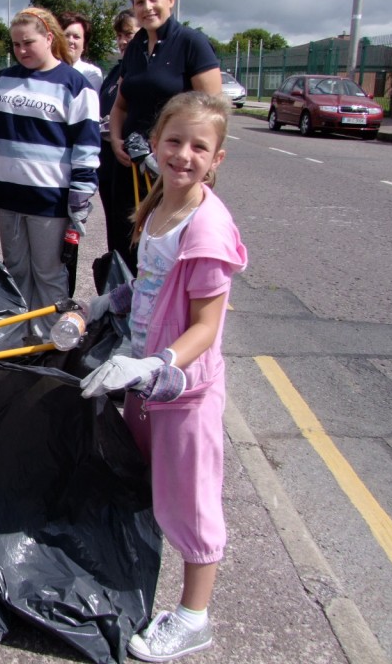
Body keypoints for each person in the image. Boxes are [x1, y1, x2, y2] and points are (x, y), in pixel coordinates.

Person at [79, 92, 247, 662]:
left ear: (217, 158)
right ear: (154, 145)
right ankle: (136, 579)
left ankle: (194, 617)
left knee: (190, 505)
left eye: (199, 147)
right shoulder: (158, 207)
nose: (183, 154)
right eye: (174, 141)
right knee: (144, 487)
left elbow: (204, 326)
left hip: (183, 391)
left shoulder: (208, 229)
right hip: (146, 380)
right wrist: (110, 303)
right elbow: (150, 283)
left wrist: (157, 364)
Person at [0, 8, 100, 337]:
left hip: (50, 200)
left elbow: (88, 147)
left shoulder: (76, 85)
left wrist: (80, 199)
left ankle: (49, 341)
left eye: (28, 42)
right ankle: (19, 338)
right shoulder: (2, 79)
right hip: (8, 196)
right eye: (15, 44)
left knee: (48, 273)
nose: (21, 50)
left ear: (49, 38)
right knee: (15, 270)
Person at [108, 0, 221, 275]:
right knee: (126, 245)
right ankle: (127, 316)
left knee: (164, 250)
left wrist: (203, 160)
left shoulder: (191, 43)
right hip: (129, 164)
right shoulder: (134, 47)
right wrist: (117, 139)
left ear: (170, 0)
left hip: (170, 168)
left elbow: (214, 111)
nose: (147, 7)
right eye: (139, 1)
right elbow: (120, 105)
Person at [95, 10, 140, 283]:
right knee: (116, 236)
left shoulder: (140, 74)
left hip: (131, 168)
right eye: (120, 35)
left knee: (132, 235)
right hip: (108, 168)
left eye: (130, 34)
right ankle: (118, 295)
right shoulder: (115, 72)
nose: (123, 41)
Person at [58, 11, 103, 94]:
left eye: (76, 37)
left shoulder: (91, 73)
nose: (71, 41)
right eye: (66, 35)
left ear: (84, 45)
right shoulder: (45, 70)